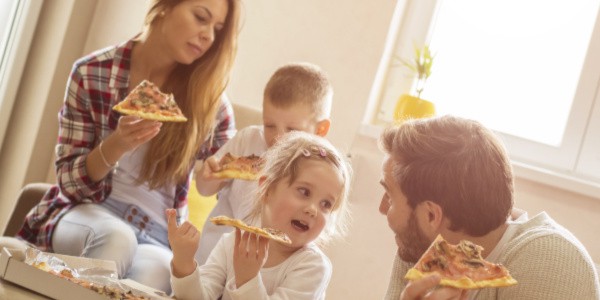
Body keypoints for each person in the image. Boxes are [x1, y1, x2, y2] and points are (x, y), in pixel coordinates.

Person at [16, 0, 241, 294]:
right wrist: (115, 145)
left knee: (154, 276)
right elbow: (70, 185)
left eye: (217, 30)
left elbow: (222, 188)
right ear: (165, 7)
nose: (208, 36)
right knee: (117, 240)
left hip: (159, 236)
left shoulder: (212, 106)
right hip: (90, 212)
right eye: (201, 17)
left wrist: (213, 179)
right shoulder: (92, 73)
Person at [378, 115, 600, 299]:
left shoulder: (552, 263)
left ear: (430, 215)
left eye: (389, 195)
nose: (382, 207)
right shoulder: (420, 248)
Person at [166, 131, 352, 299]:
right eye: (304, 192)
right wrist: (184, 262)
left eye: (326, 204)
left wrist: (248, 279)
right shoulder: (232, 244)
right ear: (267, 189)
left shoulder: (312, 267)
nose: (313, 209)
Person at [195, 62, 333, 264]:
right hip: (213, 253)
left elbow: (315, 231)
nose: (277, 137)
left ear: (320, 130)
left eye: (291, 129)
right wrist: (209, 177)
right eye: (269, 125)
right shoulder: (248, 140)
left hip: (265, 267)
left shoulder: (322, 170)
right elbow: (204, 189)